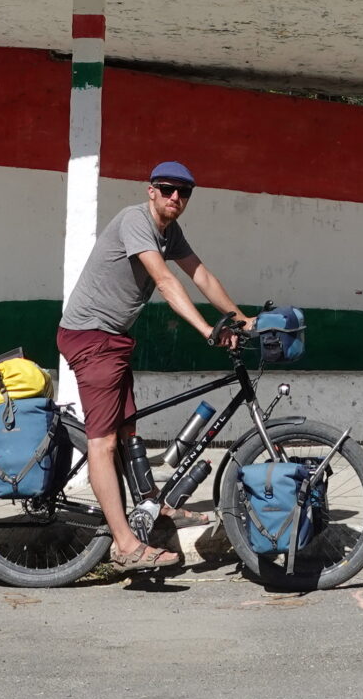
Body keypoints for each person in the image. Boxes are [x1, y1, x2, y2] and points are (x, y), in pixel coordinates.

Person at [56, 160, 245, 572]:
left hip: (113, 338)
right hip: (91, 335)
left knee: (128, 429)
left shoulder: (169, 231)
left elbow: (200, 274)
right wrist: (206, 330)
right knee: (103, 443)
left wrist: (241, 318)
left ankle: (150, 506)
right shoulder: (135, 221)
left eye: (185, 192)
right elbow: (165, 281)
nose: (176, 197)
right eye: (168, 188)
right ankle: (125, 546)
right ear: (151, 190)